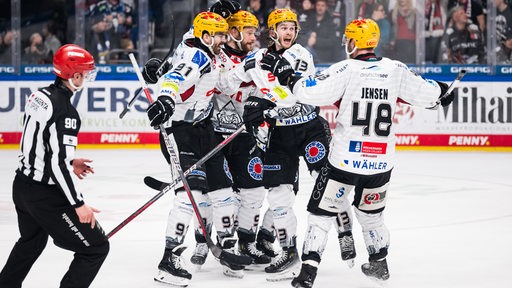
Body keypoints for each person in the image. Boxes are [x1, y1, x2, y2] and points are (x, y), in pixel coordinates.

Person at [257, 18, 456, 287]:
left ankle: (307, 274)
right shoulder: (395, 69)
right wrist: (443, 91)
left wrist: (286, 73)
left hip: (344, 162)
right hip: (380, 164)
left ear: (353, 42)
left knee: (321, 215)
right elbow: (430, 94)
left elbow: (307, 92)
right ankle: (379, 264)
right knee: (372, 215)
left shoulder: (345, 69)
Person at [218, 7, 356, 281]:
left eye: (292, 27)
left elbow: (298, 93)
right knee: (279, 196)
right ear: (272, 32)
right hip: (279, 136)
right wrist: (239, 82)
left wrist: (266, 104)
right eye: (283, 27)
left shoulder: (301, 55)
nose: (289, 32)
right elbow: (225, 83)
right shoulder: (257, 58)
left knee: (327, 182)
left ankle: (345, 231)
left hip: (308, 130)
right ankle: (290, 250)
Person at [143, 11, 239, 287]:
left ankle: (228, 244)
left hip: (203, 129)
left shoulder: (202, 48)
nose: (224, 39)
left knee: (223, 186)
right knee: (189, 195)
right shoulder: (198, 56)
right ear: (206, 36)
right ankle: (169, 259)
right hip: (180, 132)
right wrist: (164, 99)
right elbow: (175, 78)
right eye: (220, 34)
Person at [0, 44, 109, 288]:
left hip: (22, 186)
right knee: (96, 248)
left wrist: (71, 161)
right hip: (43, 195)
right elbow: (57, 164)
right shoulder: (67, 112)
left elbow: (44, 146)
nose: (88, 77)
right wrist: (78, 204)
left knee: (31, 242)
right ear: (74, 75)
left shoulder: (40, 95)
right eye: (86, 72)